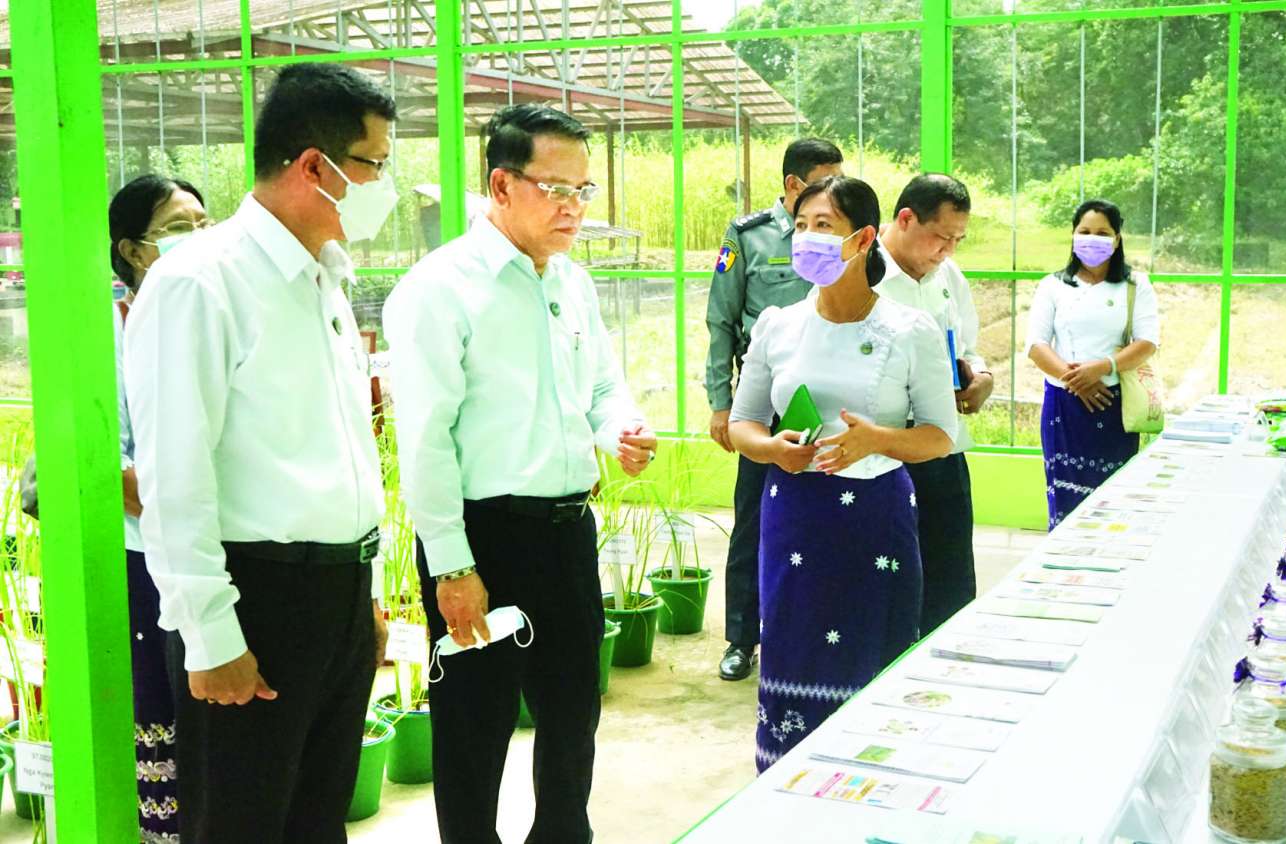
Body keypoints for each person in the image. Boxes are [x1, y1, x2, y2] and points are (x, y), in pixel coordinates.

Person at [125, 63, 398, 843]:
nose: (383, 186)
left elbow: (337, 452)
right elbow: (177, 477)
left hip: (336, 597)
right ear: (315, 165)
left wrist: (364, 593)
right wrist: (210, 636)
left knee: (317, 822)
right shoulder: (200, 282)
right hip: (257, 600)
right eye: (374, 165)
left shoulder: (324, 277)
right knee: (240, 825)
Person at [382, 104, 656, 844]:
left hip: (567, 532)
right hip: (482, 540)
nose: (574, 207)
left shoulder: (571, 281)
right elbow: (426, 441)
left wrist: (620, 430)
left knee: (572, 716)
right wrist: (452, 566)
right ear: (501, 186)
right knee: (475, 727)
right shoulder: (439, 290)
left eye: (583, 190)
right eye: (555, 189)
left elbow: (601, 386)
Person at [728, 176, 957, 771]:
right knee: (794, 646)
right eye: (801, 225)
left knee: (872, 648)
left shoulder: (909, 330)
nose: (807, 238)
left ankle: (871, 781)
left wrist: (877, 440)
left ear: (862, 239)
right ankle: (785, 778)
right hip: (794, 516)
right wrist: (771, 449)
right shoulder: (778, 324)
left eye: (824, 226)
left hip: (875, 520)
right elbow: (743, 423)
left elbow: (941, 435)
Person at [705, 137, 844, 682]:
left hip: (831, 395)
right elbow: (721, 320)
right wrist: (721, 404)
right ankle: (742, 638)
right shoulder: (749, 236)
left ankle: (813, 628)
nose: (833, 190)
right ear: (793, 184)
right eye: (824, 179)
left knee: (825, 512)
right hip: (764, 400)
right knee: (753, 519)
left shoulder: (842, 232)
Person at [108, 173, 210, 844]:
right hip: (148, 554)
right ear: (132, 250)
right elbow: (113, 466)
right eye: (177, 229)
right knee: (163, 702)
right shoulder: (107, 333)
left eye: (204, 223)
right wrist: (189, 499)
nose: (197, 238)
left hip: (222, 552)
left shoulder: (213, 311)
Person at [876, 173, 992, 635]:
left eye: (958, 240)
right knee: (889, 576)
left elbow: (968, 346)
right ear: (906, 219)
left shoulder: (948, 276)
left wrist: (981, 377)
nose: (948, 250)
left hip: (943, 443)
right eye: (942, 237)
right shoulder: (859, 274)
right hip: (882, 449)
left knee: (950, 576)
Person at [1025, 199, 1160, 529]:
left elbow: (1146, 343)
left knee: (1114, 501)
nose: (1092, 239)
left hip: (1113, 405)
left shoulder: (1135, 285)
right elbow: (1036, 346)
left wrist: (1100, 369)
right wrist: (1076, 381)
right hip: (1063, 405)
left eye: (1102, 233)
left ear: (1117, 239)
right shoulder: (1053, 285)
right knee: (1066, 499)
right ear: (1073, 235)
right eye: (1084, 231)